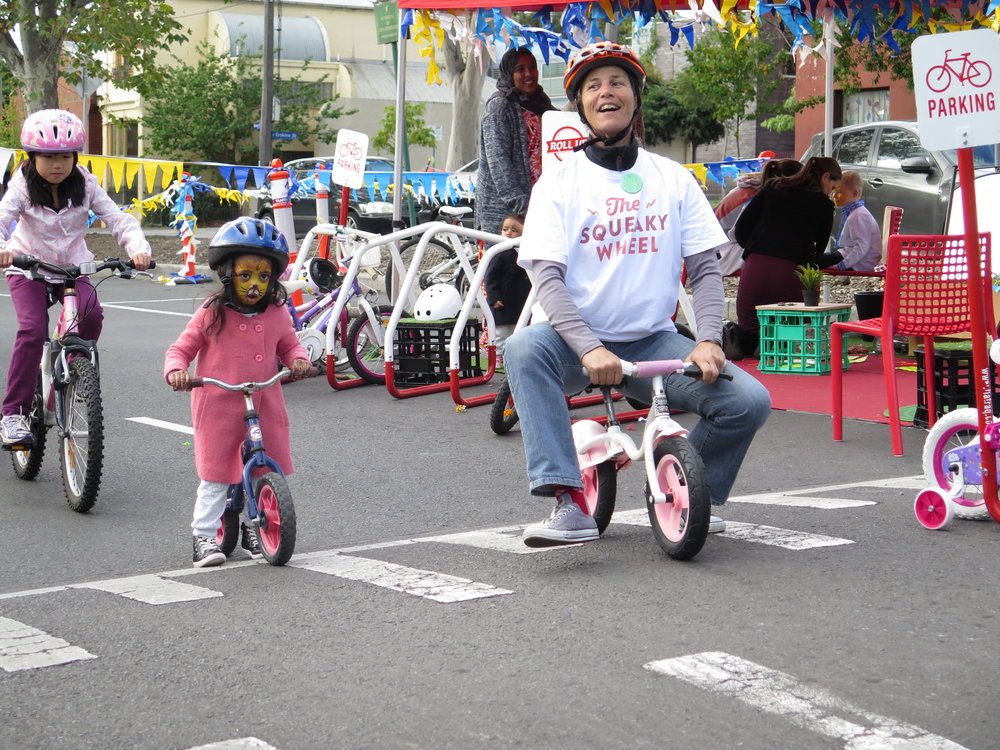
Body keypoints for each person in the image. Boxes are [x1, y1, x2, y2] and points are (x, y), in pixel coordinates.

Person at [503, 41, 771, 547]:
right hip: (573, 343)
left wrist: (709, 338)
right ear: (580, 104)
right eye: (594, 85)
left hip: (652, 341)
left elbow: (706, 269)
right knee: (521, 348)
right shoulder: (558, 184)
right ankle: (567, 502)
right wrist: (590, 347)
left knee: (748, 401)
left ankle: (692, 493)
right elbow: (548, 280)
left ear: (635, 97)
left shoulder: (672, 178)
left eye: (618, 82)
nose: (607, 92)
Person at [164, 217, 311, 567]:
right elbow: (181, 348)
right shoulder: (212, 313)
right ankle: (203, 535)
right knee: (216, 476)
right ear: (228, 274)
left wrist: (300, 360)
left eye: (264, 276)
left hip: (264, 401)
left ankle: (252, 527)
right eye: (246, 276)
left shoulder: (277, 312)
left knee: (263, 467)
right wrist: (177, 371)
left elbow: (290, 345)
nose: (256, 285)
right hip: (218, 403)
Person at [0, 109, 151, 446]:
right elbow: (2, 218)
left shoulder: (85, 183)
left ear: (75, 157)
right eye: (49, 157)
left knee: (92, 312)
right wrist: (2, 248)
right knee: (32, 329)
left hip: (73, 267)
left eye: (65, 157)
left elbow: (118, 218)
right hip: (29, 268)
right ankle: (14, 413)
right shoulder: (22, 185)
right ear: (32, 156)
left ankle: (76, 370)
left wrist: (138, 247)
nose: (58, 165)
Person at [723, 156, 842, 360]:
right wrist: (836, 257)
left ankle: (741, 339)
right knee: (787, 321)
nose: (831, 193)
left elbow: (741, 230)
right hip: (790, 272)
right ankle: (775, 343)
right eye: (832, 187)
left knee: (751, 323)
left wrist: (758, 246)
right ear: (825, 177)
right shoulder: (823, 204)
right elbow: (817, 253)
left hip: (755, 269)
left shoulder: (774, 188)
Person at [475, 46, 556, 235]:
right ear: (508, 74)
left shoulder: (543, 104)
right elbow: (498, 163)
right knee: (504, 264)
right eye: (520, 69)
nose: (529, 74)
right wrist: (523, 206)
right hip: (508, 213)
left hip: (540, 206)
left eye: (533, 67)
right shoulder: (499, 107)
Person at [714, 158, 803, 276]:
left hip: (727, 243)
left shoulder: (756, 188)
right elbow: (739, 234)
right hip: (720, 248)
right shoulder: (759, 195)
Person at [483, 213, 529, 361]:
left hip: (519, 302)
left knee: (517, 331)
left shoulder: (524, 251)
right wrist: (494, 297)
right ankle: (496, 357)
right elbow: (491, 278)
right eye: (505, 229)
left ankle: (512, 357)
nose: (508, 233)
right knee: (501, 333)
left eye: (514, 230)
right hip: (503, 303)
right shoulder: (500, 253)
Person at [819, 170, 882, 272]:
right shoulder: (855, 212)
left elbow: (862, 246)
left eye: (839, 192)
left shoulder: (858, 215)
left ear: (854, 193)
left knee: (811, 262)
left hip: (861, 262)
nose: (834, 195)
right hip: (852, 255)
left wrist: (841, 266)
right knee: (815, 259)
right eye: (833, 190)